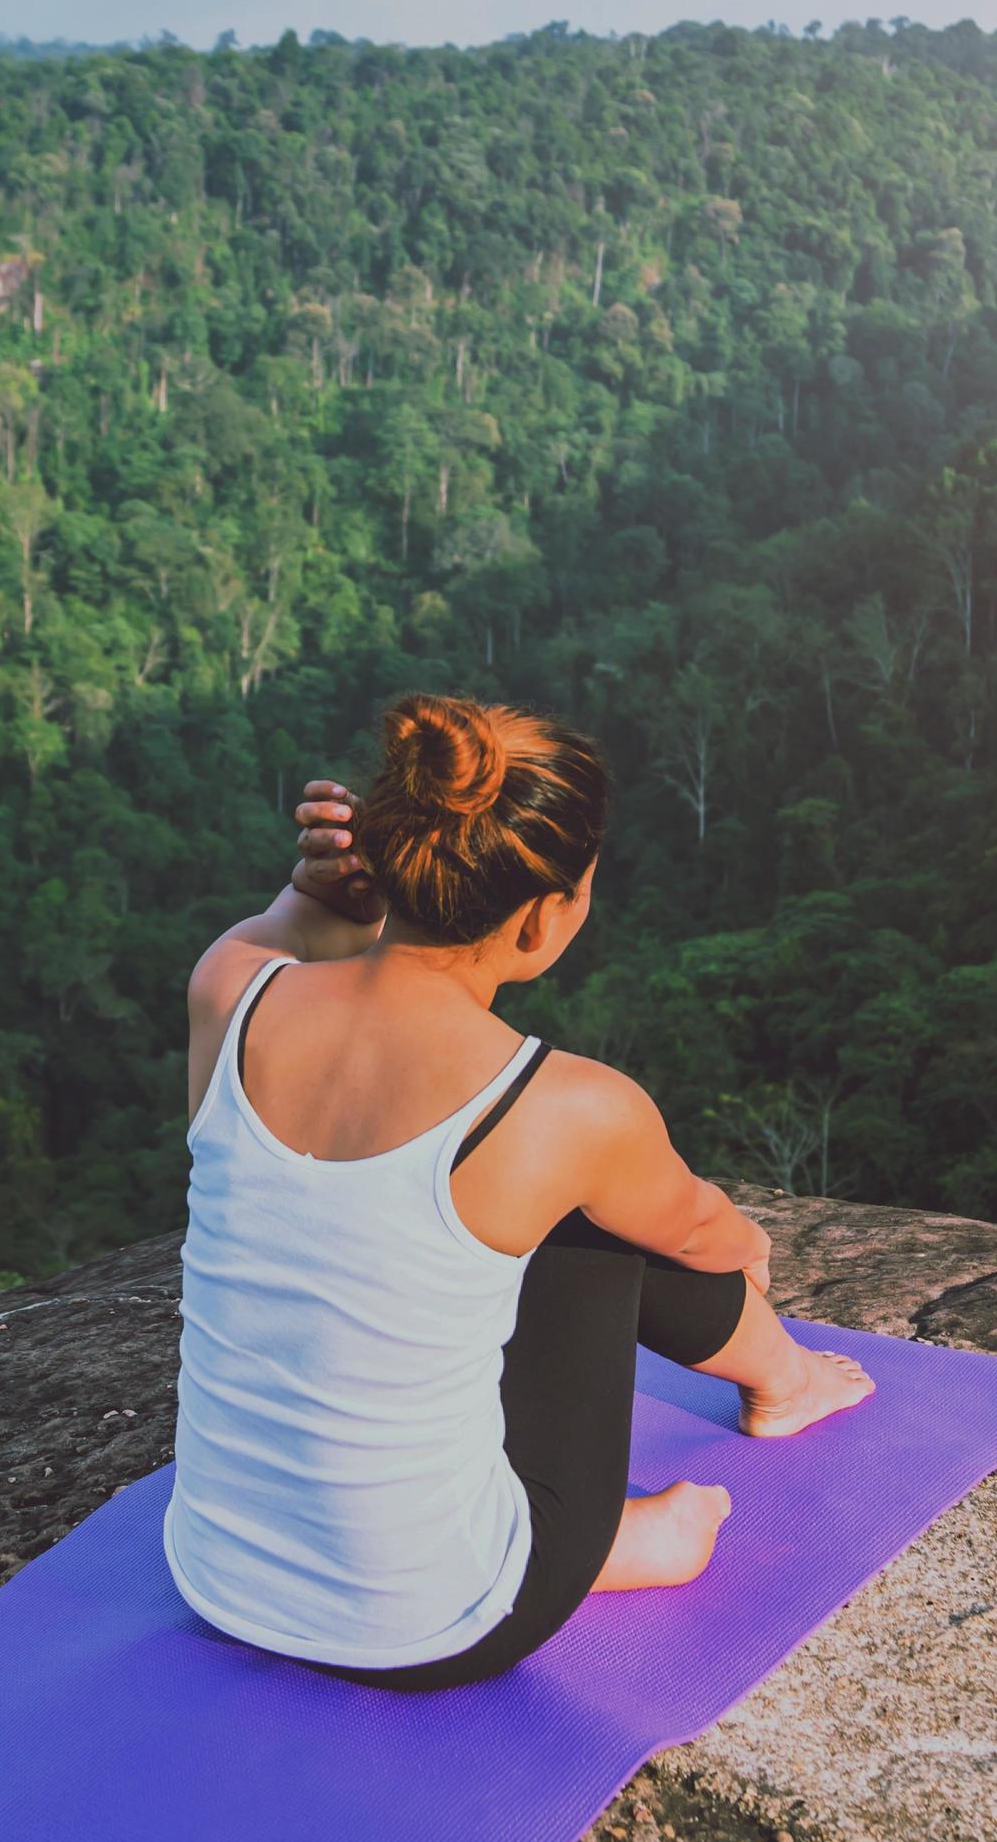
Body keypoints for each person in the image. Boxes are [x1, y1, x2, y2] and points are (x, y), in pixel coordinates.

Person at [165, 691, 877, 1691]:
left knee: (498, 1218)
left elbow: (293, 930)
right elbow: (700, 1231)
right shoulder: (566, 1109)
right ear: (545, 917)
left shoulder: (228, 989)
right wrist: (741, 1238)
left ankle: (744, 1414)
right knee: (600, 1227)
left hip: (218, 1573)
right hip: (448, 1625)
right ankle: (746, 1421)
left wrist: (316, 898)